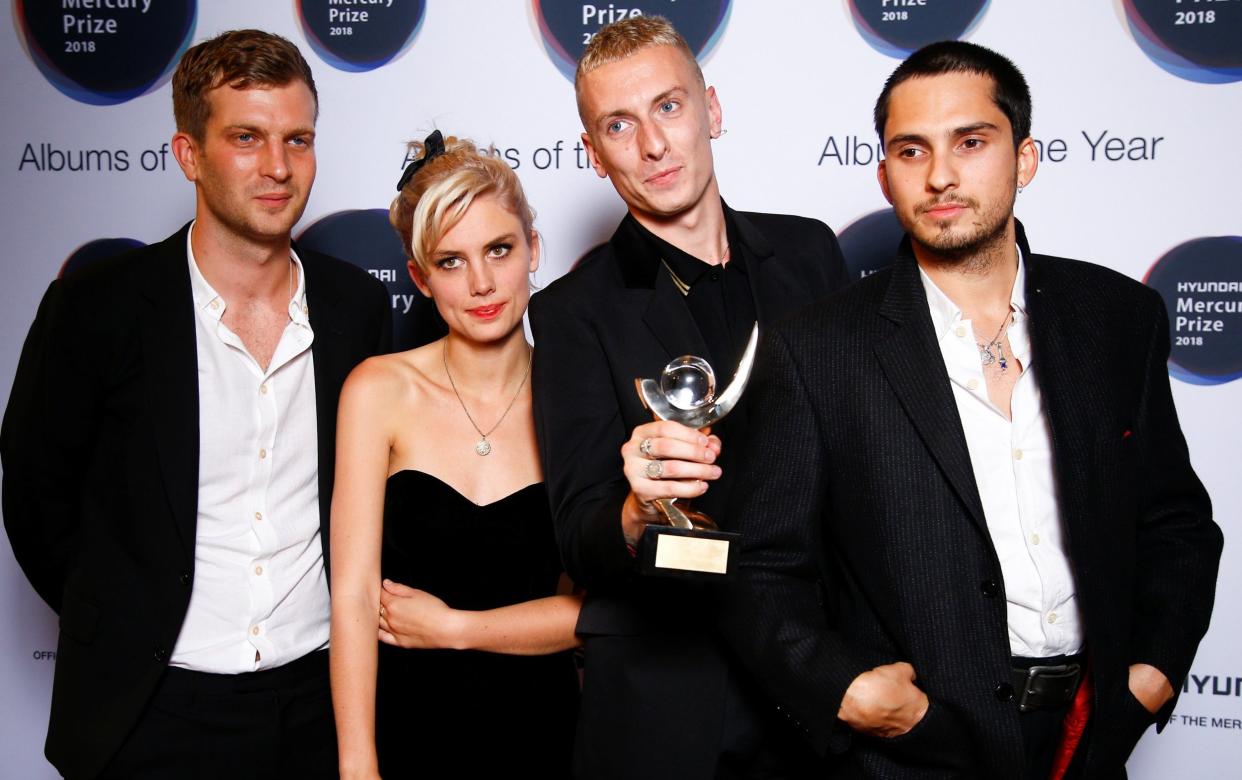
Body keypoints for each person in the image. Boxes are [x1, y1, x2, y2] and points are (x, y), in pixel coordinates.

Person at [719, 40, 1223, 778]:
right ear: (886, 175)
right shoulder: (815, 350)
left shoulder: (1119, 317)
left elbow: (1175, 522)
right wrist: (849, 690)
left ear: (1024, 159)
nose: (942, 175)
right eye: (911, 150)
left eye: (971, 142)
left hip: (1090, 734)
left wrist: (1149, 677)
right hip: (916, 747)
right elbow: (760, 566)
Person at [0, 29, 391, 780]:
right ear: (189, 155)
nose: (279, 167)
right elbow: (38, 504)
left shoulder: (358, 307)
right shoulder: (94, 310)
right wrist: (122, 615)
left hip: (316, 703)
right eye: (246, 138)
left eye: (298, 140)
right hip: (150, 711)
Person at [528, 15, 851, 779]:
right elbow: (581, 534)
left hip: (820, 685)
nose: (652, 144)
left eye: (668, 107)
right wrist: (638, 511)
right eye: (619, 124)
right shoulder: (573, 313)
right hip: (672, 700)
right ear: (594, 154)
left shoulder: (809, 253)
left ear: (711, 109)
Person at [330, 131, 582, 780]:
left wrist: (455, 628)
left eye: (499, 249)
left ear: (533, 250)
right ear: (419, 277)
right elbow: (353, 596)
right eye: (450, 262)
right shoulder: (377, 391)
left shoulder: (581, 397)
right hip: (408, 729)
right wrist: (359, 764)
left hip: (547, 732)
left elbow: (596, 613)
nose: (480, 283)